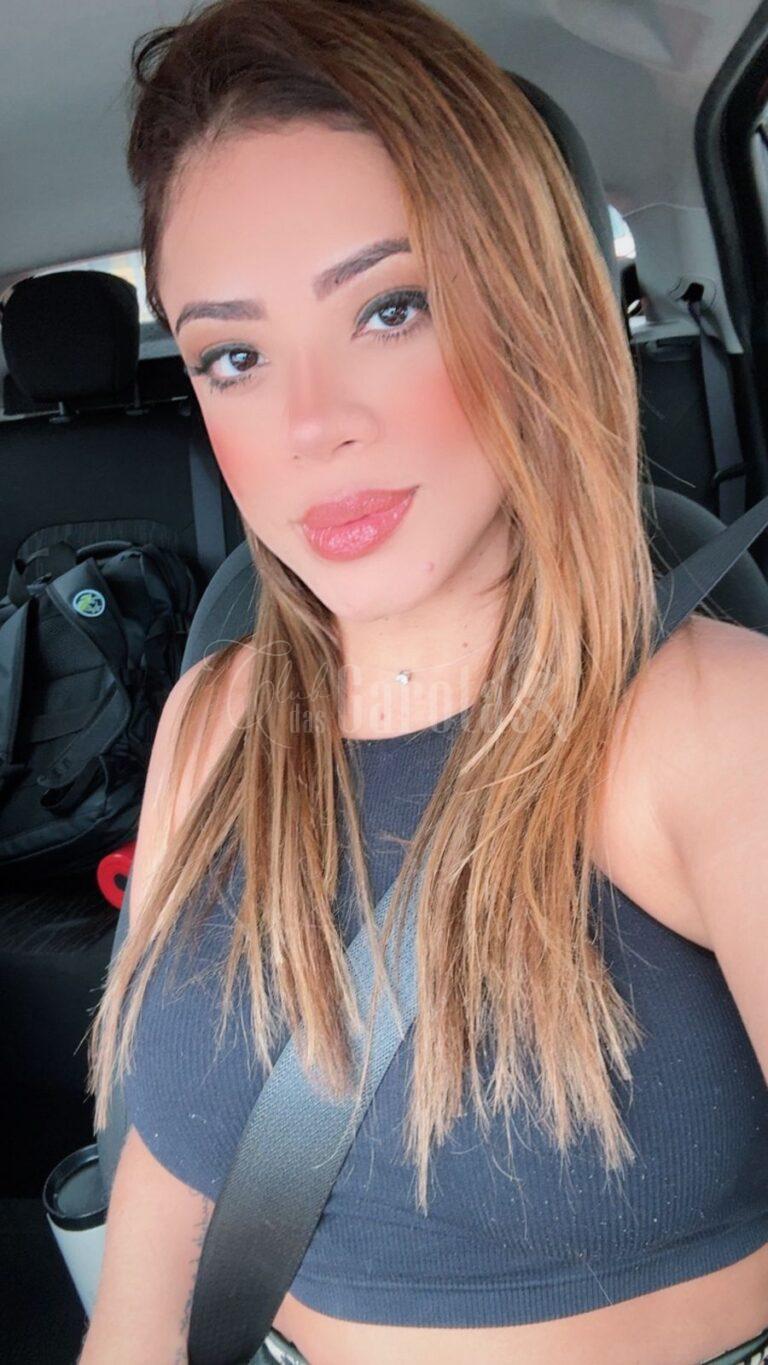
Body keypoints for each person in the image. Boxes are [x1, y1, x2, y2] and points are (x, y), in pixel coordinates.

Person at [80, 1, 768, 1362]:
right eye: (234, 355)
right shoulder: (213, 718)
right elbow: (156, 1224)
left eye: (391, 308)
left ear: (532, 302)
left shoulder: (712, 727)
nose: (312, 423)